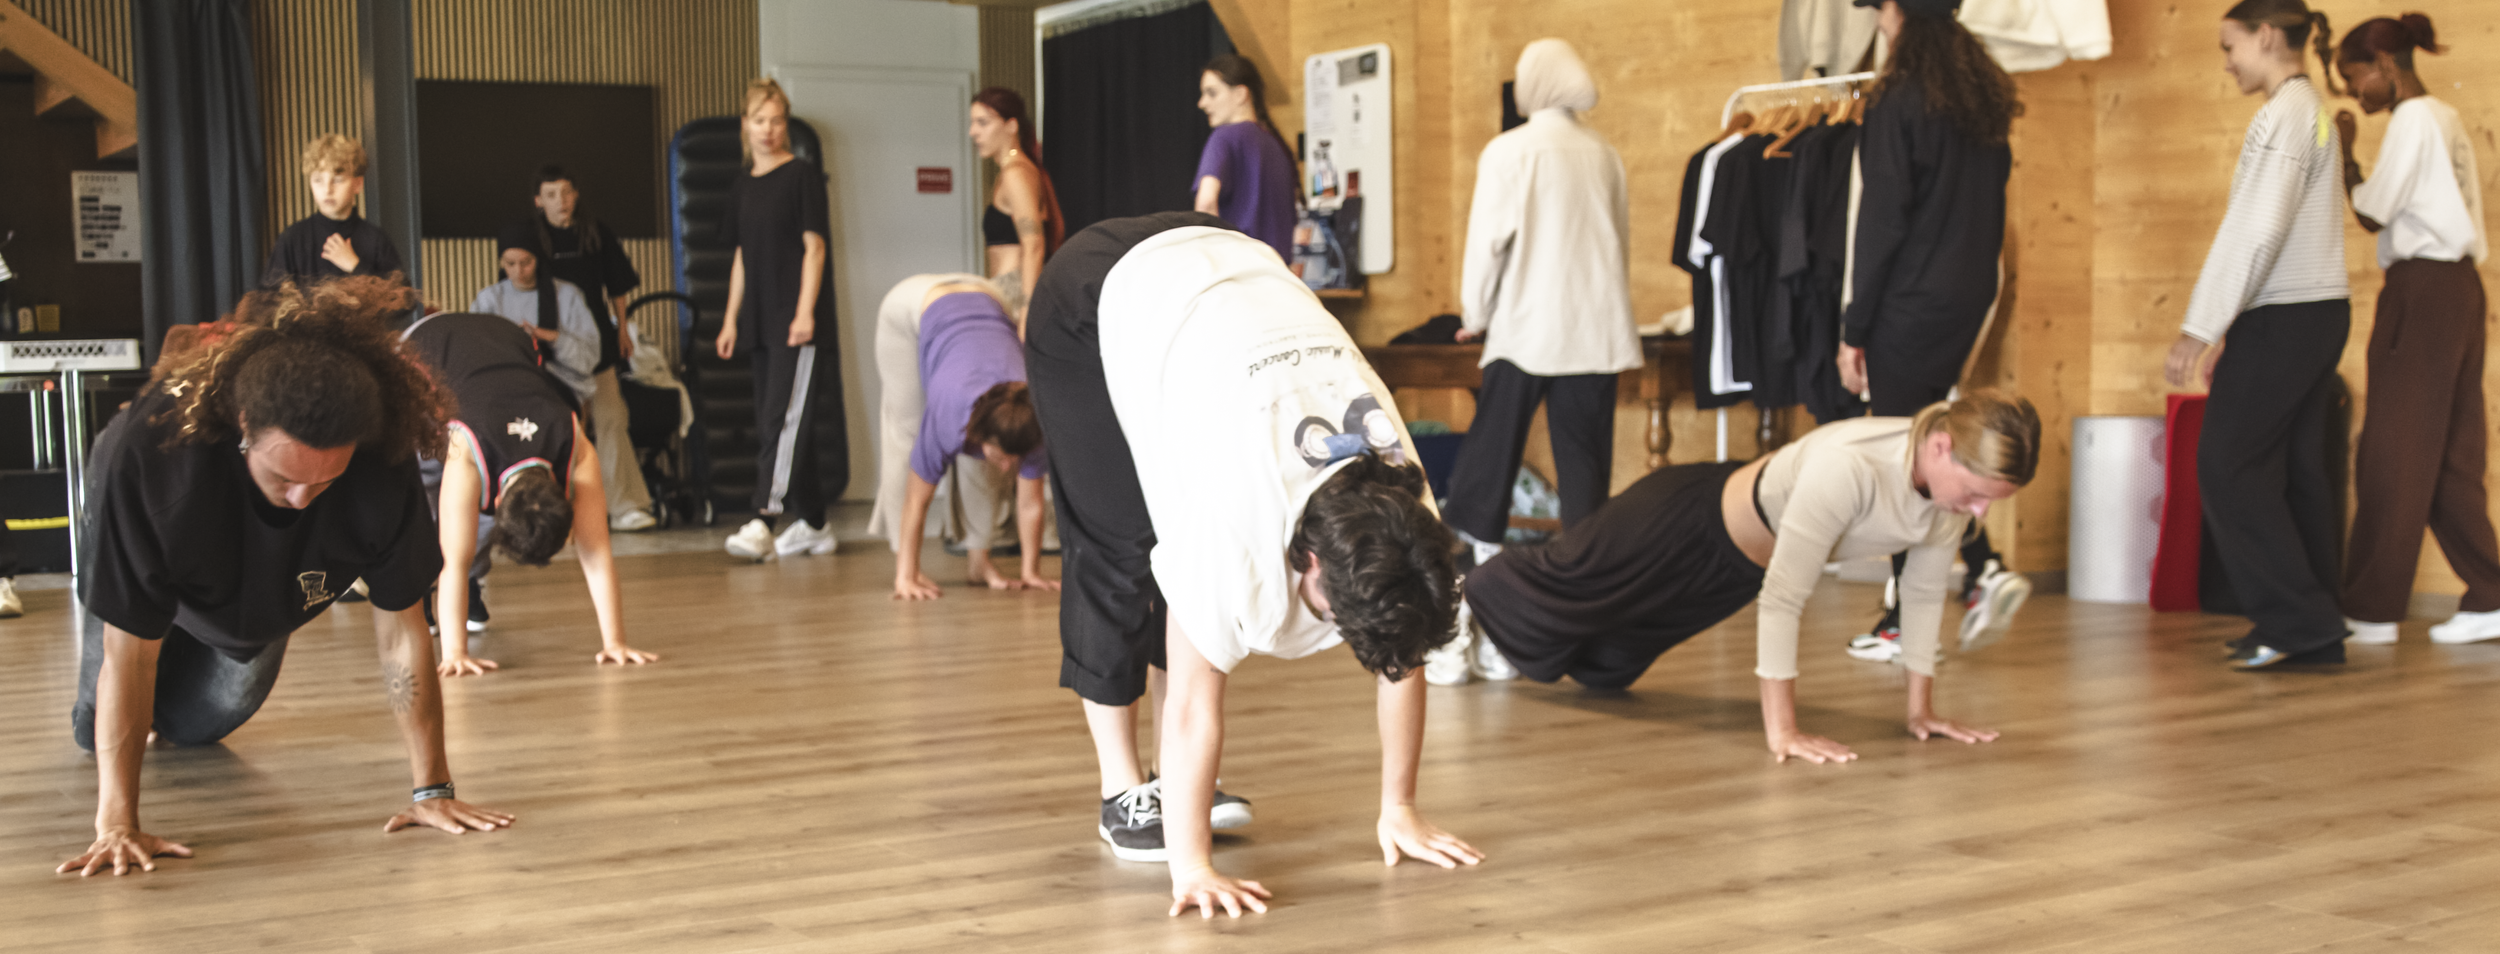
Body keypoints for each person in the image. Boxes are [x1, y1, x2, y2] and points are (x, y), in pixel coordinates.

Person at [1026, 212, 1481, 918]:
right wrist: (1193, 868)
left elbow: (1403, 656)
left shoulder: (1405, 509)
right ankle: (1124, 791)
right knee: (1119, 547)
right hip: (1096, 292)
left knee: (1172, 555)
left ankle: (1172, 792)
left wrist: (1402, 807)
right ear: (1305, 557)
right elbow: (1192, 708)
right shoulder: (1234, 528)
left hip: (1229, 263)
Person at [59, 278, 512, 877]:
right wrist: (118, 822)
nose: (302, 498)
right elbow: (131, 654)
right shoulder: (155, 459)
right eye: (283, 478)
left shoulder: (381, 464)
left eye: (323, 483)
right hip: (163, 558)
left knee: (197, 727)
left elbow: (404, 631)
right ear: (245, 424)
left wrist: (432, 790)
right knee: (101, 726)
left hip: (258, 595)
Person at [1458, 392, 2037, 763]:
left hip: (1731, 571)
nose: (1982, 512)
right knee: (1561, 578)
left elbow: (1923, 594)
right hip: (1684, 519)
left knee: (1606, 666)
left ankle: (1499, 627)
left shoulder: (1945, 503)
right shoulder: (1851, 466)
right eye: (1980, 494)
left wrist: (1921, 711)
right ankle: (1460, 599)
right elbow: (1785, 597)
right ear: (1941, 448)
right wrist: (1782, 731)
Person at [1833, 0, 2033, 665]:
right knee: (1922, 444)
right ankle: (1961, 581)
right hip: (1965, 295)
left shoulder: (1900, 98)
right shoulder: (1976, 99)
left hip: (1910, 301)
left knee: (1905, 456)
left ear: (1896, 11)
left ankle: (1955, 587)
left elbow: (1883, 222)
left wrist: (1854, 327)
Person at [1436, 39, 1637, 671]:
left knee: (1485, 478)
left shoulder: (1510, 150)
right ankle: (1569, 635)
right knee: (1585, 495)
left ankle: (1481, 623)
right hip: (1595, 336)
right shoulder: (1604, 154)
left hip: (1524, 332)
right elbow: (1619, 243)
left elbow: (1487, 246)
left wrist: (1476, 316)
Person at [2165, 0, 2350, 669]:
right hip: (2310, 312)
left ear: (2267, 36)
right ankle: (2312, 626)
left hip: (2289, 313)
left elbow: (2257, 229)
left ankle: (2299, 622)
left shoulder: (2285, 114)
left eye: (2229, 46)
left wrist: (2200, 325)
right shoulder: (2309, 111)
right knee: (2291, 472)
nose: (2226, 62)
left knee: (2228, 465)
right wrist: (2228, 325)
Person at [2331, 16, 2500, 646]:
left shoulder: (2411, 118)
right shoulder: (2447, 117)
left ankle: (2371, 611)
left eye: (2356, 79)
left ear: (2385, 64)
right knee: (2452, 456)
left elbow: (2374, 211)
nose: (2356, 94)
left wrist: (2346, 152)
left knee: (2391, 449)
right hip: (2460, 288)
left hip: (2421, 292)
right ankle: (2491, 593)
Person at [402, 311, 660, 675]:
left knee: (458, 534)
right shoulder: (468, 452)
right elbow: (452, 561)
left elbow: (597, 554)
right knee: (422, 497)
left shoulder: (574, 442)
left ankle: (463, 597)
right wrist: (454, 653)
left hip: (507, 335)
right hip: (425, 345)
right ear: (494, 504)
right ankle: (419, 593)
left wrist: (614, 642)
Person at [715, 77, 844, 562]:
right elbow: (742, 259)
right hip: (760, 323)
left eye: (777, 120)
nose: (769, 130)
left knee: (781, 420)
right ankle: (813, 523)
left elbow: (815, 248)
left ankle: (761, 519)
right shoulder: (743, 185)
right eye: (759, 120)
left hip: (797, 324)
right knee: (790, 422)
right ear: (745, 125)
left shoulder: (802, 177)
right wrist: (730, 320)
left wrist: (806, 312)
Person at [868, 275, 1055, 598]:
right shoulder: (950, 413)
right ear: (977, 431)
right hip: (913, 302)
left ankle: (979, 562)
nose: (1010, 466)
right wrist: (906, 576)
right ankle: (907, 568)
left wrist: (1030, 571)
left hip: (986, 294)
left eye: (1016, 458)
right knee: (908, 435)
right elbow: (918, 499)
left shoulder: (1032, 423)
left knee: (986, 466)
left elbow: (1030, 504)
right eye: (1001, 455)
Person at [522, 166, 658, 532]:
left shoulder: (596, 233)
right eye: (551, 195)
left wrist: (622, 329)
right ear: (539, 201)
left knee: (612, 420)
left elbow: (617, 286)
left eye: (566, 193)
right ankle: (556, 512)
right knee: (559, 427)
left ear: (576, 195)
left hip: (597, 341)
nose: (560, 201)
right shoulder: (531, 239)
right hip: (551, 347)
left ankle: (626, 506)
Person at [472, 224, 601, 406]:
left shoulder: (567, 295)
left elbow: (589, 360)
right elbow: (476, 355)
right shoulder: (489, 299)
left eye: (526, 262)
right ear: (501, 262)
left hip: (561, 386)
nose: (518, 271)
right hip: (506, 386)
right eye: (510, 263)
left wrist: (550, 337)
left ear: (537, 259)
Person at [1192, 55, 1301, 262]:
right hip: (1278, 279)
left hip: (1239, 274)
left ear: (1241, 94)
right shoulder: (1279, 148)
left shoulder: (1223, 137)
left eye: (1212, 93)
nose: (1202, 103)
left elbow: (1206, 203)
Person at [260, 135, 404, 289]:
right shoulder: (292, 239)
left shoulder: (376, 240)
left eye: (337, 180)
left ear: (357, 184)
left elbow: (403, 302)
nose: (327, 190)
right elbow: (267, 300)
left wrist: (355, 267)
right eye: (318, 180)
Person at [969, 88, 1064, 319]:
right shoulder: (1014, 171)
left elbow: (1034, 245)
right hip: (1006, 291)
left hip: (1015, 294)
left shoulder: (1016, 174)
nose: (973, 132)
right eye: (972, 123)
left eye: (983, 123)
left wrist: (1027, 310)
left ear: (1011, 126)